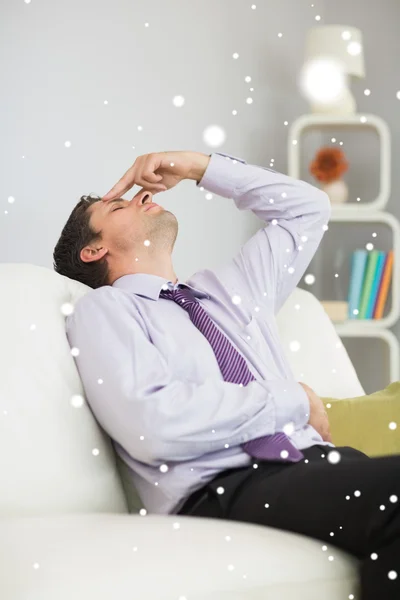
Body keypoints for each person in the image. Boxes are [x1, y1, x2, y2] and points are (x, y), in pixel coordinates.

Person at [55, 151, 400, 599]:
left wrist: (198, 167)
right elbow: (153, 425)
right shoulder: (105, 310)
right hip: (225, 487)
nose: (141, 196)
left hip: (316, 462)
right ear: (94, 249)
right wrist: (289, 400)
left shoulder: (233, 290)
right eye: (118, 206)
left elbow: (307, 208)